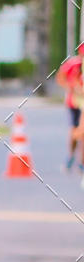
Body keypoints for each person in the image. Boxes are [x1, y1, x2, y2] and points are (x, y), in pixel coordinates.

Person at [55, 42, 84, 174]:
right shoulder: (73, 64)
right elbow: (60, 78)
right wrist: (71, 88)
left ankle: (81, 162)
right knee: (75, 131)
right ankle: (71, 156)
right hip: (73, 103)